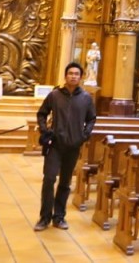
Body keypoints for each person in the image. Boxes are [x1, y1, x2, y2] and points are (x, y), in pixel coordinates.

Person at [35, 62, 96, 231]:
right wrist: (44, 130)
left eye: (77, 74)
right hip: (55, 144)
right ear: (65, 76)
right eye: (70, 73)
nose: (73, 76)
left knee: (65, 182)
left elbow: (91, 118)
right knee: (49, 179)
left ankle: (59, 217)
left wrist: (84, 135)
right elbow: (42, 113)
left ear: (81, 77)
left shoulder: (86, 98)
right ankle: (44, 217)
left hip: (73, 145)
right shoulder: (54, 95)